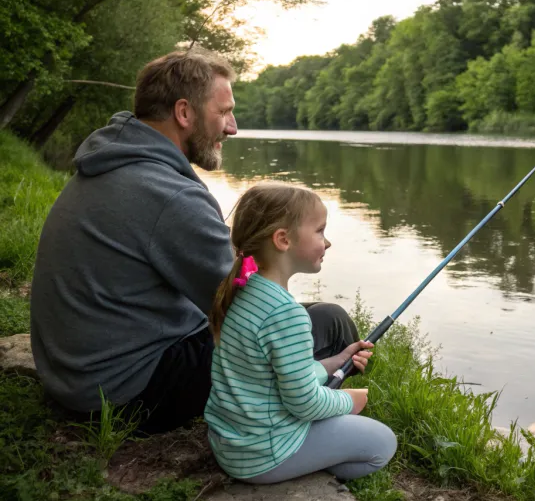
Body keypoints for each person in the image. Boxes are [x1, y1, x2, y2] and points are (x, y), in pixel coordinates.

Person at [29, 47, 361, 434]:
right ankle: (302, 419)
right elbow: (247, 306)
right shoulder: (169, 194)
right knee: (329, 323)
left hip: (74, 377)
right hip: (124, 395)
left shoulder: (114, 161)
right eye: (222, 112)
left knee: (302, 320)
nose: (232, 127)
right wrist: (265, 261)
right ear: (184, 113)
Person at [204, 183, 397, 484]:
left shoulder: (244, 291)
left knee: (343, 422)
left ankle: (311, 455)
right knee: (383, 443)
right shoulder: (286, 314)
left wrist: (337, 360)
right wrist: (351, 400)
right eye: (320, 231)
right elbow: (304, 404)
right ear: (283, 239)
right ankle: (305, 465)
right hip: (262, 455)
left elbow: (276, 376)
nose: (328, 242)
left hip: (232, 444)